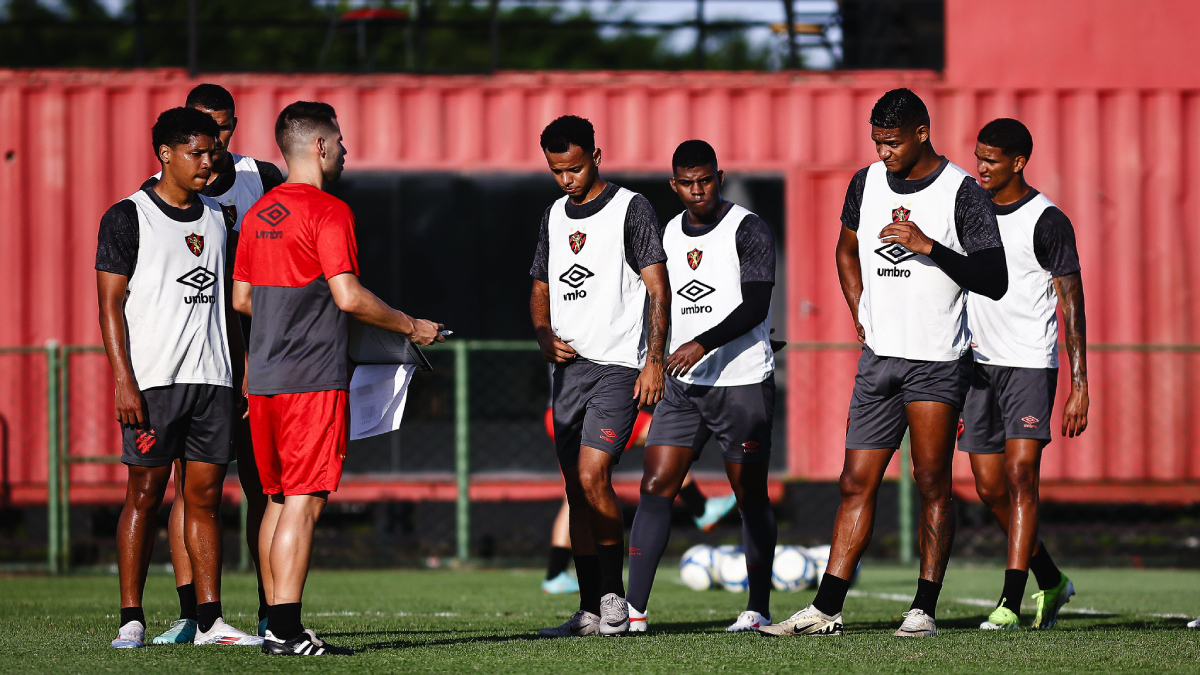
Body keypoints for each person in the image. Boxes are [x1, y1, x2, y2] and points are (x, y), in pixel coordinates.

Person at [761, 88, 1007, 638]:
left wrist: (929, 247)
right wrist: (859, 315)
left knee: (931, 482)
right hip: (879, 360)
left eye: (892, 143)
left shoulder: (961, 191)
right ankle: (825, 609)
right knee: (854, 481)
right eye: (876, 143)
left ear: (922, 132)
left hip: (937, 362)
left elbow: (995, 279)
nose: (882, 154)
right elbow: (845, 250)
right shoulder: (865, 183)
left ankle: (923, 608)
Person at [232, 101, 443, 656]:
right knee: (304, 499)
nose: (346, 150)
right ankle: (286, 629)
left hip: (266, 379)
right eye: (342, 141)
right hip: (311, 379)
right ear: (321, 147)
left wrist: (292, 314)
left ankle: (273, 626)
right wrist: (412, 326)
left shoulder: (258, 213)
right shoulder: (329, 211)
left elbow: (242, 299)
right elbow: (348, 295)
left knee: (276, 500)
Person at [98, 107, 261, 648]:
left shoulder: (220, 217)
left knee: (206, 498)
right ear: (165, 154)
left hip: (213, 380)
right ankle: (131, 618)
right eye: (196, 152)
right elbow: (110, 306)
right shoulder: (127, 215)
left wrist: (240, 371)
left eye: (213, 151)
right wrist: (123, 379)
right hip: (153, 381)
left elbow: (230, 304)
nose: (208, 161)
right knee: (144, 493)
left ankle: (210, 620)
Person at [143, 83, 285, 645]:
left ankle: (271, 609)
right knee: (193, 491)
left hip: (261, 356)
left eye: (223, 127)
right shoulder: (158, 198)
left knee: (263, 487)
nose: (215, 139)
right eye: (203, 128)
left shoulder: (262, 179)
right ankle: (192, 613)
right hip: (199, 358)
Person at [624, 140, 779, 634]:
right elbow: (656, 303)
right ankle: (633, 612)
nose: (697, 191)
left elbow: (756, 306)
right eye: (687, 183)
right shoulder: (667, 234)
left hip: (742, 384)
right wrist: (654, 358)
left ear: (719, 176)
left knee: (749, 494)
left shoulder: (748, 228)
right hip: (683, 388)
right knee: (654, 486)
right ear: (674, 185)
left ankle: (757, 608)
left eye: (705, 180)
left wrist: (700, 344)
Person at [530, 115, 669, 637]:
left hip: (617, 366)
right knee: (575, 488)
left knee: (593, 475)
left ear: (597, 156)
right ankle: (590, 609)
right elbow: (540, 282)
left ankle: (615, 598)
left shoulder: (632, 208)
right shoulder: (552, 216)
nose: (566, 178)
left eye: (574, 167)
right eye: (556, 170)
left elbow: (658, 286)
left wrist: (653, 359)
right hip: (567, 370)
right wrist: (543, 332)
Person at [966, 118, 1085, 630]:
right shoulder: (969, 211)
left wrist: (1079, 385)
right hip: (975, 365)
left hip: (1030, 364)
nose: (981, 167)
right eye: (978, 157)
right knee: (989, 488)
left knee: (1019, 477)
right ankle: (1052, 581)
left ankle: (1009, 602)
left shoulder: (1048, 220)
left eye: (991, 159)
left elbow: (1072, 306)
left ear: (1018, 161)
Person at [540, 406, 737, 594]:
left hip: (560, 413)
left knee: (577, 494)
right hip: (588, 408)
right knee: (664, 435)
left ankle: (555, 573)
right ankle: (700, 508)